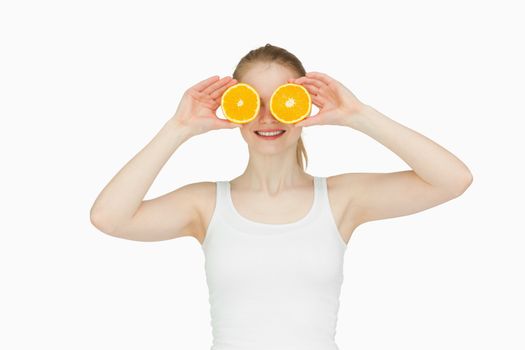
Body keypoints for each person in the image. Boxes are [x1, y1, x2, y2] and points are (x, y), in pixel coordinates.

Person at [90, 43, 473, 350]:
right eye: (250, 102)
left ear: (303, 106)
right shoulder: (205, 204)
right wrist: (178, 128)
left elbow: (453, 179)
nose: (267, 116)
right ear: (233, 109)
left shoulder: (340, 199)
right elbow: (109, 217)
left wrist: (358, 114)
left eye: (282, 100)